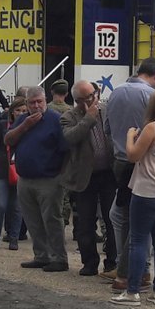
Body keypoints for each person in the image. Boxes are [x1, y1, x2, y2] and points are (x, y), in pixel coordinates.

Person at [112, 89, 155, 306]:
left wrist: (130, 136)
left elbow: (133, 155)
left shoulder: (152, 128)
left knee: (139, 241)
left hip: (146, 190)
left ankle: (132, 292)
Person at [104, 57, 155, 289]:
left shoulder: (116, 92)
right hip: (141, 161)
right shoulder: (150, 96)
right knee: (133, 219)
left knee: (122, 217)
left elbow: (106, 129)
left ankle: (129, 268)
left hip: (121, 160)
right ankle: (138, 269)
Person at [5, 86, 70, 272]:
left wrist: (61, 176)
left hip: (49, 179)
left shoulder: (55, 120)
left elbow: (66, 150)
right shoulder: (22, 120)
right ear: (26, 103)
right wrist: (25, 126)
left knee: (52, 219)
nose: (36, 106)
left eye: (39, 102)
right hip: (25, 178)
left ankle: (59, 258)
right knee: (32, 219)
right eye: (32, 103)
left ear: (45, 100)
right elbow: (8, 140)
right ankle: (41, 255)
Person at [59, 80, 117, 277]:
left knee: (112, 219)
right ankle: (89, 262)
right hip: (85, 176)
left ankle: (112, 262)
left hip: (110, 173)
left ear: (97, 92)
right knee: (85, 222)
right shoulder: (69, 116)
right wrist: (88, 118)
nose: (86, 103)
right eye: (80, 100)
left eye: (90, 97)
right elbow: (70, 138)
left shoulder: (109, 110)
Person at [0, 98, 27, 250]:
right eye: (18, 110)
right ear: (12, 112)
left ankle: (14, 237)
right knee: (1, 204)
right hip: (3, 170)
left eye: (24, 111)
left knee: (16, 207)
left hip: (20, 172)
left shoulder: (28, 127)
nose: (21, 113)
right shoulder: (3, 125)